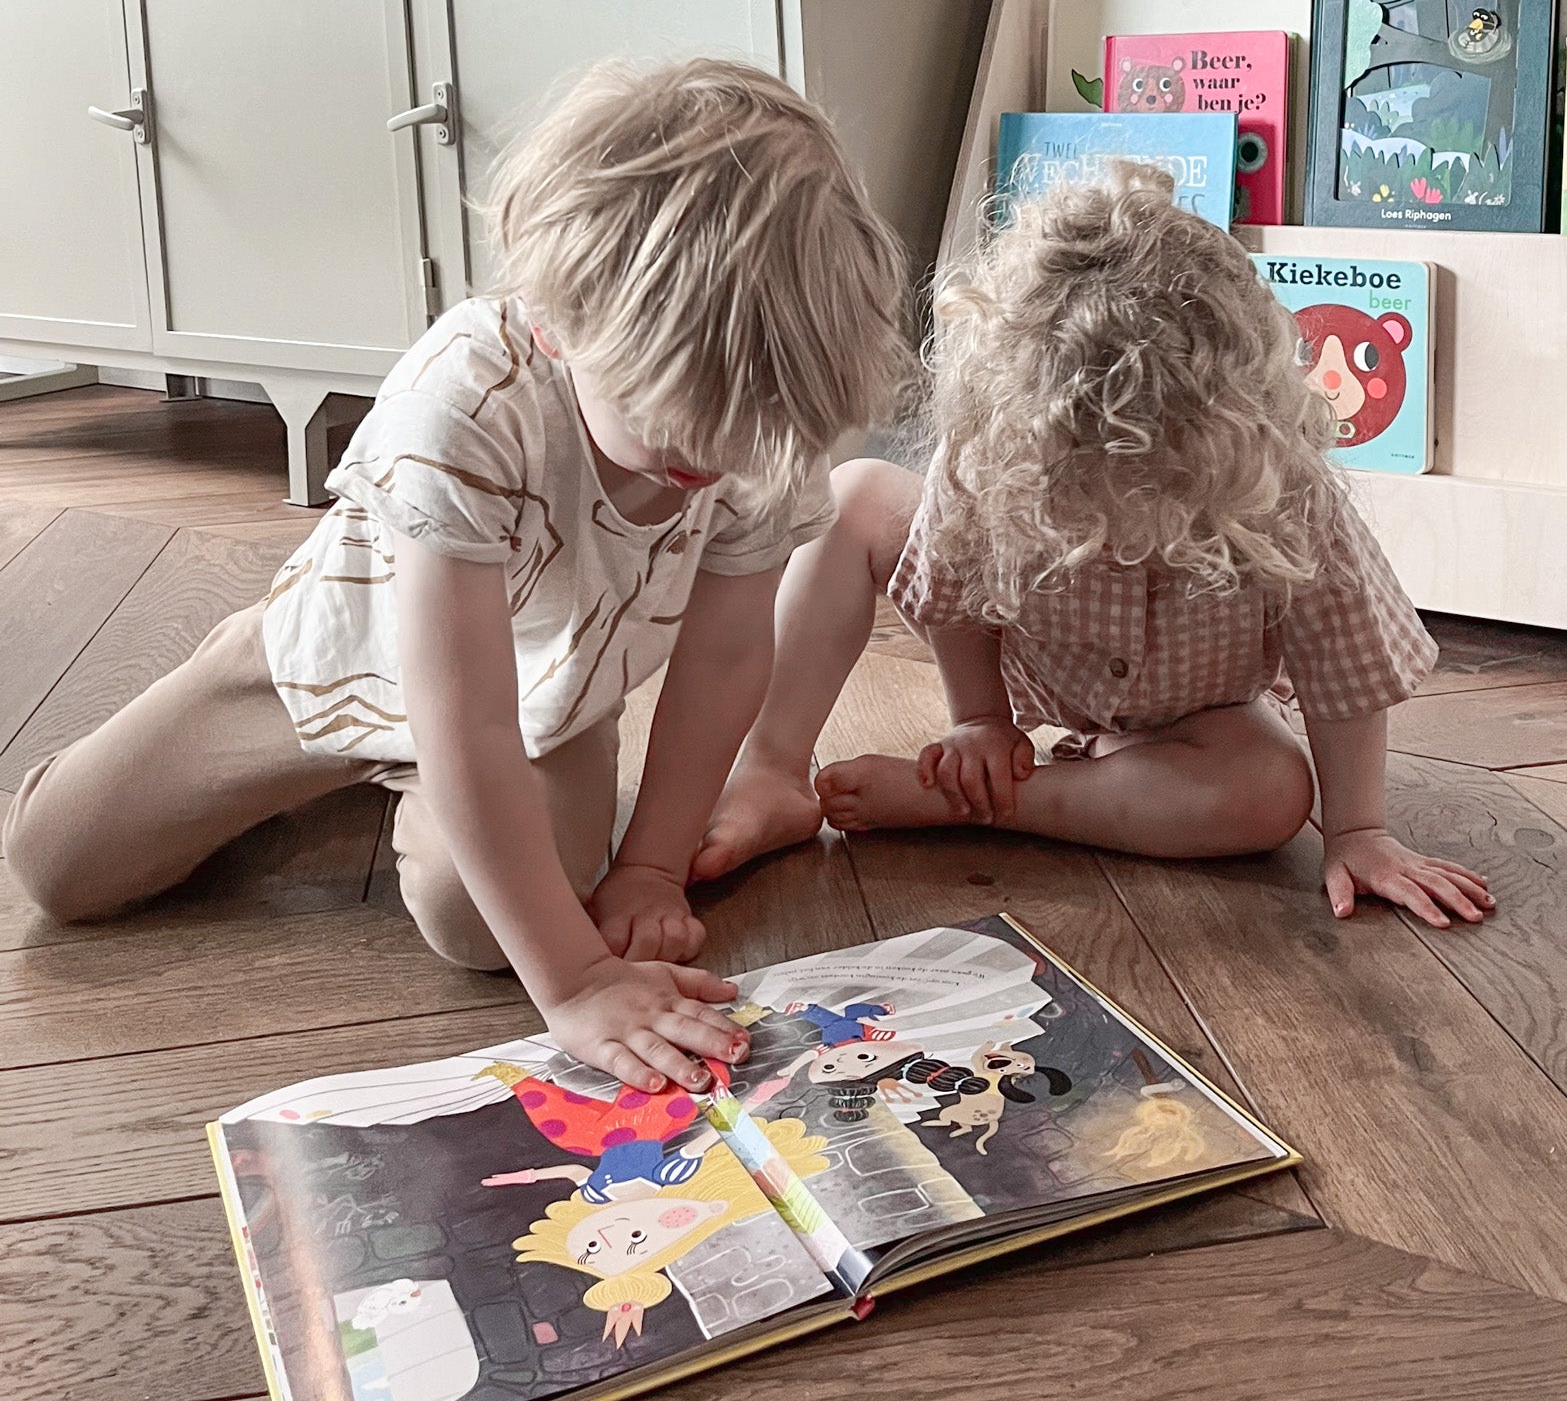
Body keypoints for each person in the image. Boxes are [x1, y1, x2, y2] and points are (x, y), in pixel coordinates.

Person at [3, 59, 909, 1086]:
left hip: (544, 700)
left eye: (735, 439)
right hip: (339, 661)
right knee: (54, 861)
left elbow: (727, 653)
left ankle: (425, 805)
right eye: (670, 435)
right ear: (560, 324)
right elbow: (459, 710)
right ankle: (339, 775)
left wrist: (652, 863)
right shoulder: (467, 398)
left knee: (478, 923)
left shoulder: (756, 424)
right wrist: (573, 982)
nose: (707, 463)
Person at [701, 163, 1494, 930]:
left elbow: (1344, 669)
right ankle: (770, 770)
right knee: (853, 497)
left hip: (1192, 718)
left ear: (1230, 436)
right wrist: (978, 718)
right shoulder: (994, 451)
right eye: (1083, 499)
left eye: (1153, 497)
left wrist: (1355, 831)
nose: (1113, 537)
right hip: (1034, 657)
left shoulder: (1286, 492)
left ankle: (997, 807)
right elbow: (956, 580)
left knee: (1271, 794)